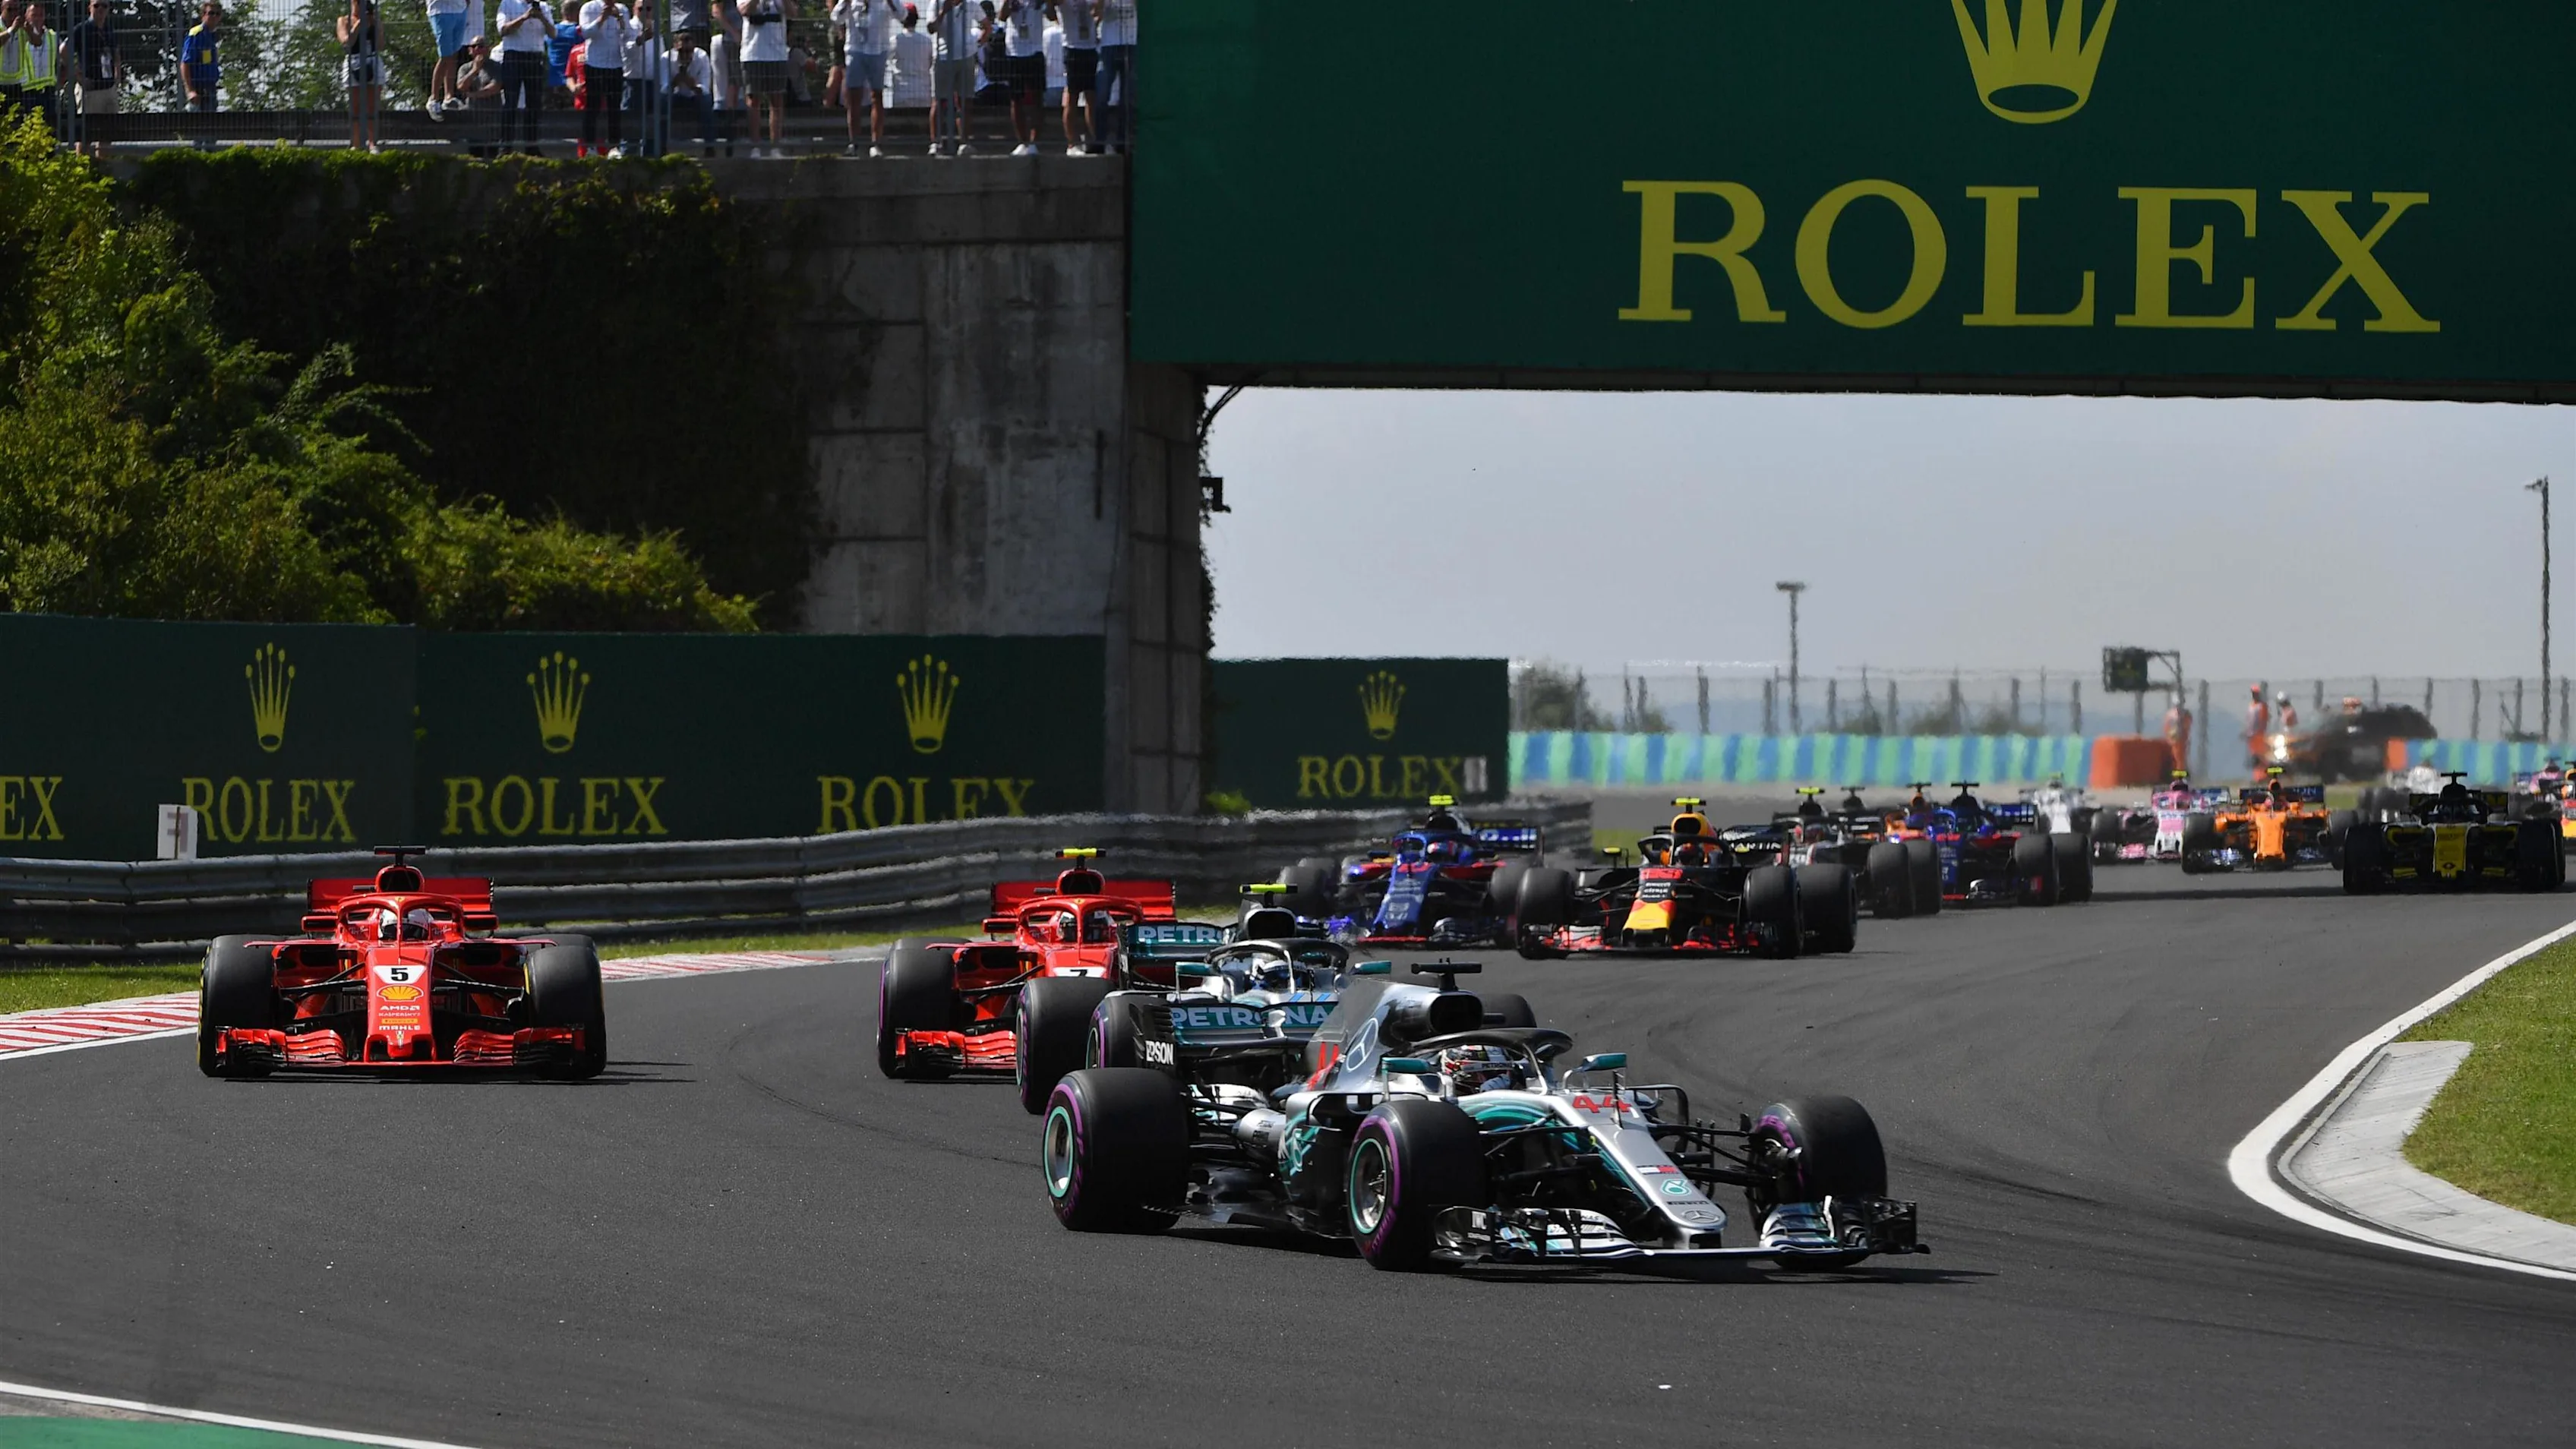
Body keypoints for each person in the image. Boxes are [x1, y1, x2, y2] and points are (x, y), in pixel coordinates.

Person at [829, 0, 892, 155]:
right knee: (853, 98)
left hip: (878, 49)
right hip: (855, 50)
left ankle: (876, 144)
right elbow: (836, 17)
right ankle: (854, 143)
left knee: (876, 96)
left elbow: (902, 14)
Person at [494, 0, 550, 153]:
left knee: (534, 104)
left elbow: (553, 33)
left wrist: (542, 18)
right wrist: (524, 17)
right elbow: (503, 30)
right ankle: (505, 147)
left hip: (535, 57)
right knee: (510, 102)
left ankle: (532, 147)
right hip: (513, 56)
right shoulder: (508, 3)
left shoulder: (543, 6)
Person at [735, 0, 788, 155]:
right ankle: (755, 147)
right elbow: (744, 10)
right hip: (753, 53)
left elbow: (792, 12)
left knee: (777, 100)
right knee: (753, 101)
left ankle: (776, 147)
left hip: (777, 54)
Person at [576, 0, 627, 155]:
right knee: (593, 107)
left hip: (615, 64)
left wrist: (620, 19)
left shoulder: (622, 9)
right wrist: (602, 18)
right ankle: (590, 147)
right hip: (594, 64)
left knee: (614, 109)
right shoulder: (588, 8)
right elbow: (585, 33)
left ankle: (614, 147)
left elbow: (626, 34)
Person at [64, 0, 112, 156]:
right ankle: (82, 174)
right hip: (89, 90)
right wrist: (78, 75)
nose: (101, 9)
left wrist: (117, 77)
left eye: (104, 6)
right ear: (89, 8)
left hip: (108, 88)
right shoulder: (82, 29)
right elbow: (63, 51)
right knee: (86, 136)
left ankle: (102, 173)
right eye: (97, 5)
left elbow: (115, 53)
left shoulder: (108, 29)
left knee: (107, 135)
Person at [926, 0, 971, 154]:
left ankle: (964, 142)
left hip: (965, 57)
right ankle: (935, 143)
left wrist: (976, 45)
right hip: (944, 58)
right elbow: (931, 28)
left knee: (964, 101)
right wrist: (943, 13)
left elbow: (986, 24)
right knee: (939, 101)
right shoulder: (936, 4)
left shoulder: (970, 4)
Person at [338, 0, 384, 150]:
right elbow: (346, 42)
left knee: (372, 105)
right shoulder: (344, 21)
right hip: (353, 61)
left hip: (372, 60)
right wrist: (357, 26)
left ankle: (372, 143)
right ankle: (356, 144)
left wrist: (375, 25)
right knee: (355, 106)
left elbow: (380, 45)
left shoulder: (374, 21)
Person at [995, 0, 1039, 153]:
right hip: (1014, 51)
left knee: (1037, 97)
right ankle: (1022, 142)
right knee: (1016, 99)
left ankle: (1034, 142)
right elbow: (1002, 16)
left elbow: (1051, 14)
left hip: (1036, 50)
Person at [1049, 0, 1091, 153]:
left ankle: (1095, 141)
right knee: (1072, 96)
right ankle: (1072, 143)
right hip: (1073, 48)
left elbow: (1098, 11)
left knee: (1091, 96)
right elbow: (1050, 11)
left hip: (1090, 47)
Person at [621, 0, 661, 155]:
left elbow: (661, 55)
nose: (645, 12)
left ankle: (651, 158)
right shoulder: (629, 26)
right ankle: (627, 157)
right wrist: (640, 39)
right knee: (631, 123)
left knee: (652, 124)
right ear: (634, 9)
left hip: (653, 82)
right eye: (641, 9)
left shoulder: (656, 28)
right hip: (634, 83)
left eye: (649, 9)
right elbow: (627, 52)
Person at [664, 25, 710, 150]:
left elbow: (705, 87)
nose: (685, 55)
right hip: (675, 95)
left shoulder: (702, 57)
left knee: (706, 101)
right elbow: (663, 89)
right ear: (675, 48)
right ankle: (661, 146)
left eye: (688, 51)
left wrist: (694, 86)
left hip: (694, 96)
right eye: (681, 51)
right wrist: (676, 81)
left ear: (694, 49)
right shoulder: (666, 58)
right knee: (662, 101)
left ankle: (709, 146)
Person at [1094, 0, 1131, 153]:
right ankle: (1100, 140)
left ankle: (1123, 141)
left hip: (1131, 43)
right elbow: (1095, 12)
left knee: (1127, 97)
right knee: (1102, 94)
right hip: (1109, 45)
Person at [179, 1, 219, 139]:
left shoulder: (212, 36)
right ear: (203, 15)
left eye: (217, 14)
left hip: (210, 90)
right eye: (210, 13)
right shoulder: (196, 34)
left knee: (210, 135)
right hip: (198, 91)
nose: (214, 17)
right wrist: (190, 91)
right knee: (195, 136)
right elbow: (185, 64)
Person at [706, 0, 741, 152]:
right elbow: (716, 12)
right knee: (733, 81)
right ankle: (729, 128)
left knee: (740, 82)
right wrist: (734, 33)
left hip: (750, 40)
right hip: (733, 40)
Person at [425, 0, 469, 115]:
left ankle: (448, 97)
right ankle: (434, 98)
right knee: (445, 56)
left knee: (453, 54)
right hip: (440, 10)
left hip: (460, 9)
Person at [885, 1, 927, 108]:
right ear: (917, 19)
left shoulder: (895, 40)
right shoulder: (927, 41)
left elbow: (884, 60)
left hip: (901, 93)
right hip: (923, 93)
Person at [2162, 694, 2192, 778]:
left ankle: (2181, 777)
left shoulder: (2186, 715)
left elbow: (2188, 726)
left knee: (2181, 762)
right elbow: (2166, 728)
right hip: (2173, 741)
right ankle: (2177, 777)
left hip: (2181, 741)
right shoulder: (2170, 715)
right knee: (2175, 761)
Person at [2244, 684, 2269, 778]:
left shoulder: (2262, 706)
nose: (2254, 695)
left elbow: (2264, 721)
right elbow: (2248, 720)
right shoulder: (2251, 706)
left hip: (2259, 736)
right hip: (2251, 736)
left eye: (2256, 693)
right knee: (2254, 757)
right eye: (2253, 693)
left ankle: (2263, 776)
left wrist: (2260, 733)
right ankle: (2257, 776)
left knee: (2261, 757)